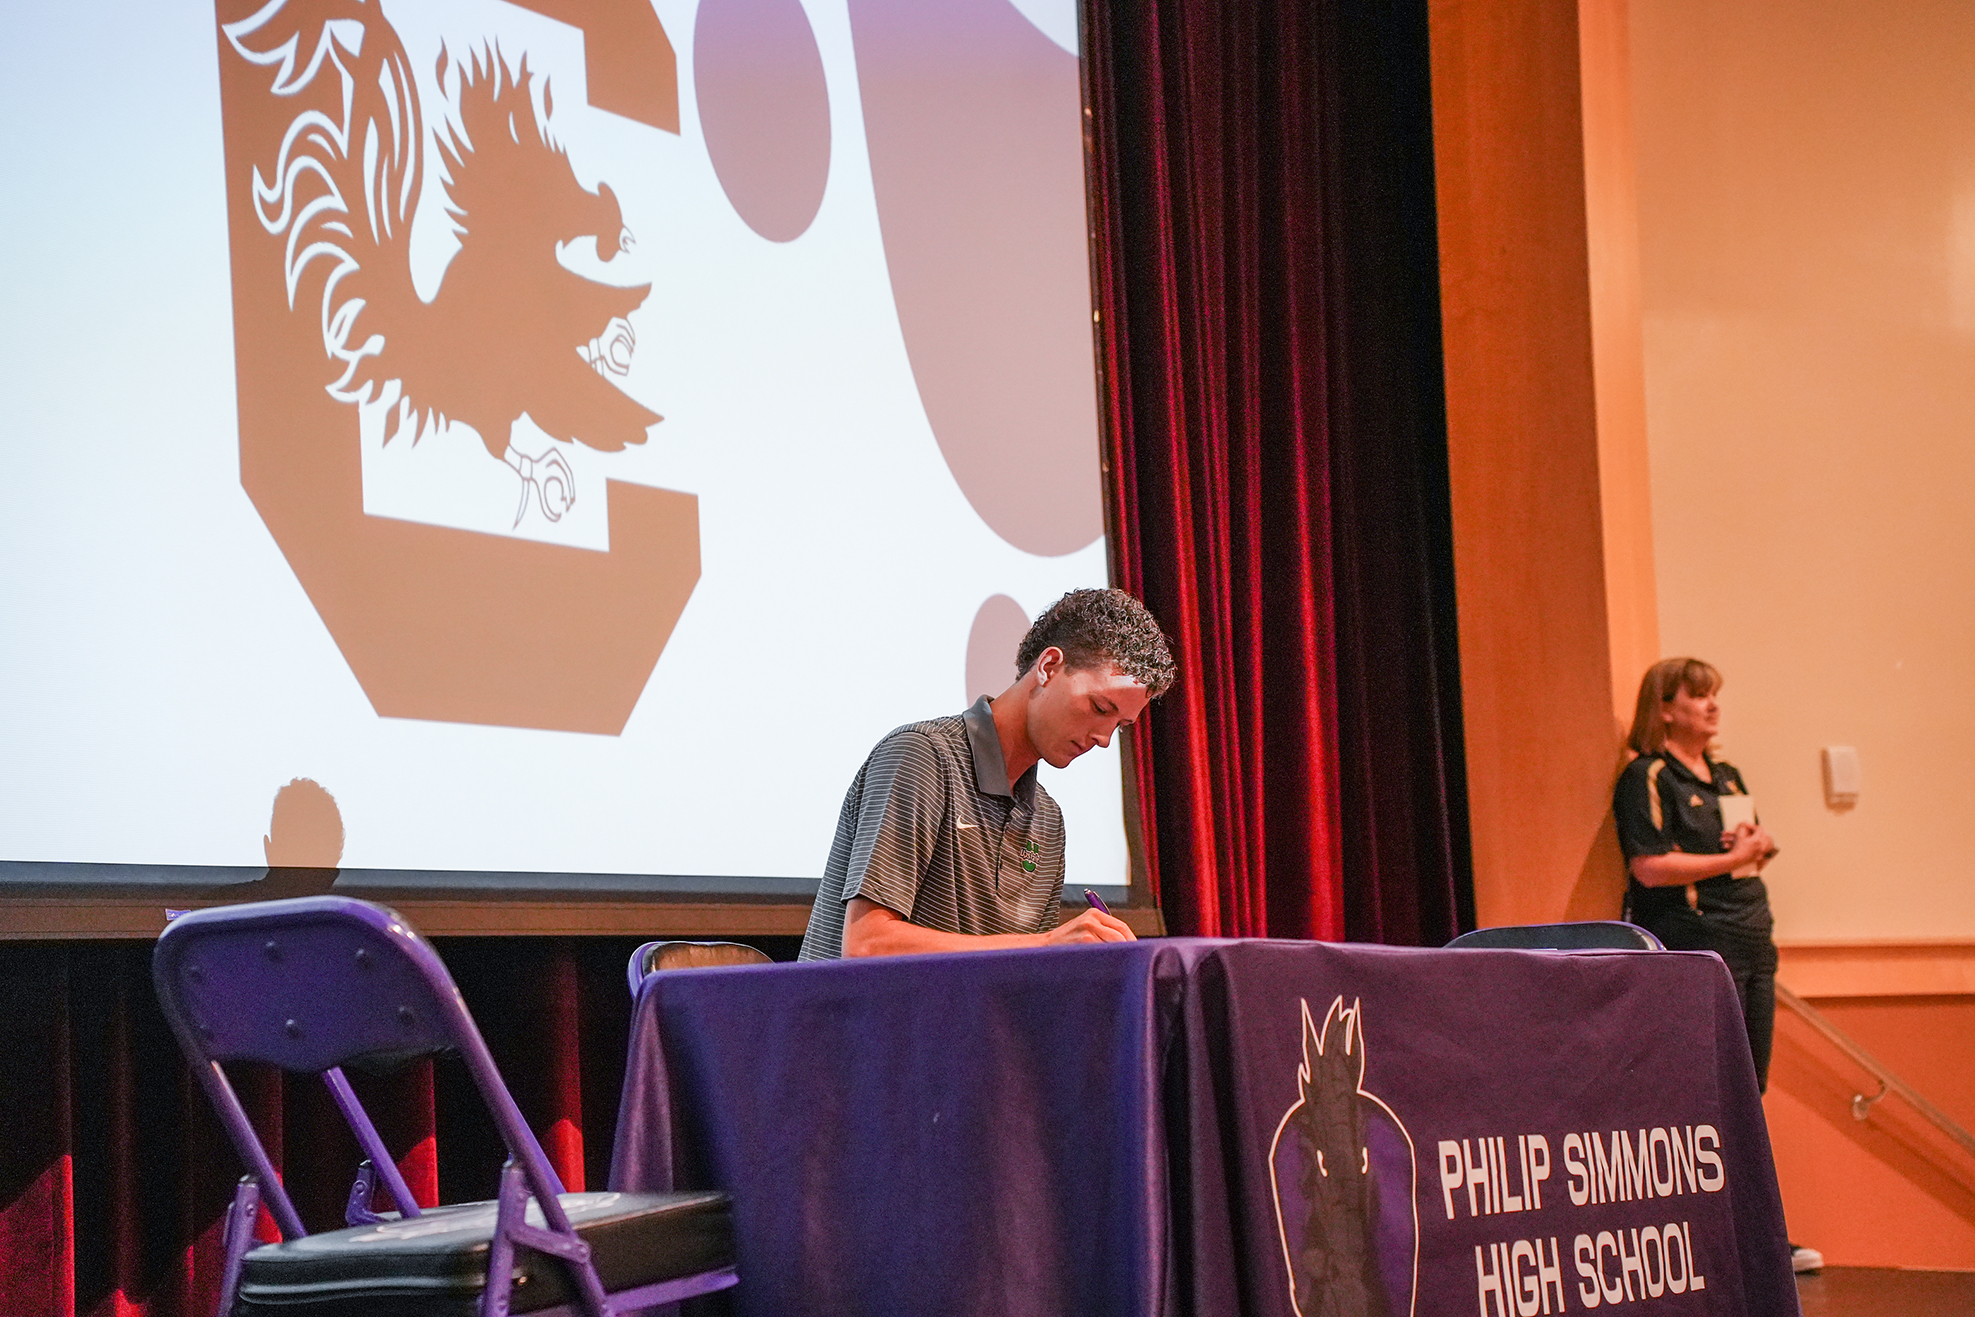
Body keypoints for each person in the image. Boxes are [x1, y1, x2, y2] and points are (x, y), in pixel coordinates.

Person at [798, 588, 1174, 960]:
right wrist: (1048, 945)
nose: (1104, 738)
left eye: (1120, 725)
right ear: (1048, 667)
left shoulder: (1047, 819)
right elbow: (867, 945)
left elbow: (1018, 971)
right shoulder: (923, 756)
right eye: (1100, 708)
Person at [1612, 657, 1822, 1274]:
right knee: (1703, 1092)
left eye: (1714, 695)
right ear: (1665, 708)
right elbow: (1649, 868)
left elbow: (1748, 846)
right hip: (1700, 944)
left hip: (1753, 938)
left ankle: (1755, 1234)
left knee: (1749, 1090)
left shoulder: (1726, 775)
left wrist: (1758, 846)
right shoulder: (1649, 776)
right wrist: (1732, 859)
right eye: (1697, 695)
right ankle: (1710, 1235)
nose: (1711, 705)